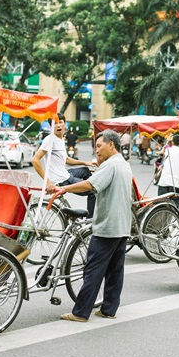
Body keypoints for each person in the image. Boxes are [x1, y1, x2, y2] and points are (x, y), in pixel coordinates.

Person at [47, 130, 132, 322]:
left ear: (111, 144)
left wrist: (64, 188)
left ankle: (80, 312)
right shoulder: (123, 164)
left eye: (99, 146)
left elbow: (89, 185)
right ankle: (109, 309)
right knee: (114, 271)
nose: (97, 151)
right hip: (122, 225)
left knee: (93, 270)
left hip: (108, 227)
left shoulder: (110, 165)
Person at [32, 113, 97, 217]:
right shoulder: (50, 140)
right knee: (93, 191)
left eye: (60, 122)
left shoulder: (61, 139)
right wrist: (48, 182)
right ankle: (89, 222)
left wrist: (86, 162)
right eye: (55, 124)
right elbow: (35, 160)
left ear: (65, 124)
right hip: (62, 180)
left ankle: (88, 184)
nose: (58, 125)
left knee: (85, 170)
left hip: (66, 174)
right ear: (50, 127)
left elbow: (66, 159)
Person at [157, 134, 179, 206]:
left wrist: (167, 141)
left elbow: (161, 151)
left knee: (160, 205)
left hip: (163, 181)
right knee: (174, 207)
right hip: (174, 184)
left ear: (172, 142)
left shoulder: (167, 150)